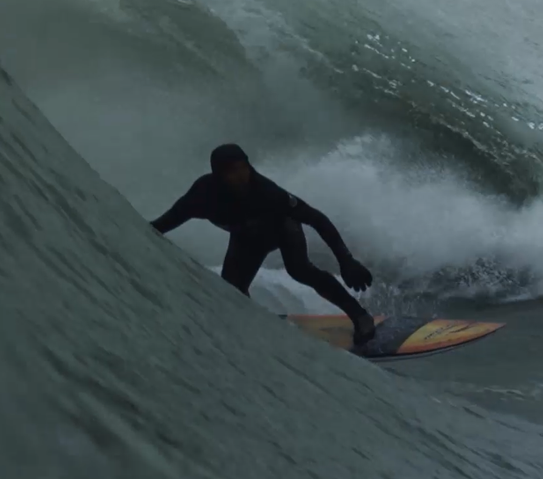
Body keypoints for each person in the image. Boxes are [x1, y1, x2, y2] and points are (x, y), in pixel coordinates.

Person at [151, 144, 377, 345]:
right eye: (232, 171)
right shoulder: (202, 195)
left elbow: (316, 218)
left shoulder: (267, 193)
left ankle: (360, 316)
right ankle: (249, 332)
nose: (241, 176)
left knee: (300, 270)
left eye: (244, 168)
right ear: (219, 175)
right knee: (231, 290)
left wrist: (346, 260)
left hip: (282, 229)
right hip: (246, 238)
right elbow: (166, 222)